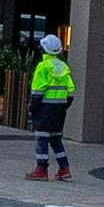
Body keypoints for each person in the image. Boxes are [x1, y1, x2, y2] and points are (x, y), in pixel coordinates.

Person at [23, 30, 72, 182]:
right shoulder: (63, 67)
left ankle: (41, 169)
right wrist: (62, 106)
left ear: (44, 49)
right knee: (56, 138)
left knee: (42, 138)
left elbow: (37, 91)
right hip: (59, 109)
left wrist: (31, 108)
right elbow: (70, 92)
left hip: (44, 108)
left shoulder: (43, 67)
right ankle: (64, 168)